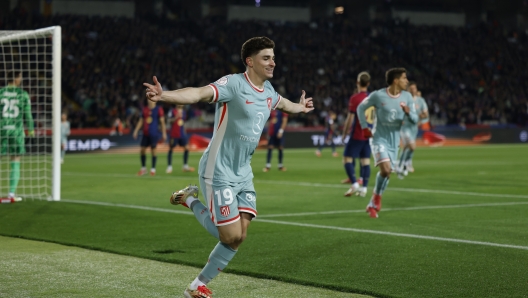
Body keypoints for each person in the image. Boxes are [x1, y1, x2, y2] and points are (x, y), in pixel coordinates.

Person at [143, 36, 314, 298]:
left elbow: (285, 104)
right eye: (266, 58)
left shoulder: (268, 91)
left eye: (273, 58)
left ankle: (195, 287)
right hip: (218, 170)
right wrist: (163, 95)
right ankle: (189, 199)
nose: (272, 63)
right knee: (229, 234)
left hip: (243, 173)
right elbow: (198, 93)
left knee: (240, 236)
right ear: (250, 61)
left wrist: (300, 108)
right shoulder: (233, 84)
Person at [357, 68, 417, 218]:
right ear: (396, 80)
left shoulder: (408, 97)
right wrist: (364, 127)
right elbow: (360, 107)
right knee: (385, 169)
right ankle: (377, 199)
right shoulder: (378, 95)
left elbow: (415, 120)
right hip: (379, 139)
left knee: (387, 173)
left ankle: (373, 202)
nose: (407, 81)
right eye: (404, 78)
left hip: (394, 142)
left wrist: (409, 112)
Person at [0, 71, 34, 202]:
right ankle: (11, 194)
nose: (21, 79)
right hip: (16, 131)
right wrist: (30, 130)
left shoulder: (1, 92)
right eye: (20, 76)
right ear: (16, 78)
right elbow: (28, 115)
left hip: (1, 130)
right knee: (15, 160)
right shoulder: (22, 94)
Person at [341, 71, 372, 197]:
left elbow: (350, 118)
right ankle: (364, 188)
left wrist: (344, 133)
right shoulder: (372, 98)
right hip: (369, 134)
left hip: (358, 134)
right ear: (368, 83)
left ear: (357, 82)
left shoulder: (355, 98)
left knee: (347, 159)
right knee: (365, 161)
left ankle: (354, 184)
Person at [397, 82, 429, 178]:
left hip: (414, 128)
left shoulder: (420, 101)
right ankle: (406, 163)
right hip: (404, 127)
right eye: (411, 88)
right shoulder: (403, 100)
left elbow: (426, 114)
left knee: (407, 147)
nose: (412, 90)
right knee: (412, 146)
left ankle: (400, 166)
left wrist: (418, 116)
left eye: (414, 88)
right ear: (407, 90)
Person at [133, 99, 167, 176]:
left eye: (151, 99)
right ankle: (143, 169)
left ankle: (153, 169)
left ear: (155, 100)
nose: (150, 101)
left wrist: (164, 133)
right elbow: (141, 121)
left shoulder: (158, 109)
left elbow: (162, 122)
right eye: (148, 99)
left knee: (153, 150)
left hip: (154, 133)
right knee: (142, 150)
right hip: (145, 133)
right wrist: (136, 131)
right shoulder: (144, 109)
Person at [166, 105, 194, 173]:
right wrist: (176, 117)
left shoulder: (184, 112)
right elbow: (169, 121)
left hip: (182, 134)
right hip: (174, 134)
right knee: (171, 149)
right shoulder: (172, 111)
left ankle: (185, 166)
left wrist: (184, 131)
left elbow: (182, 122)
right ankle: (169, 167)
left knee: (186, 148)